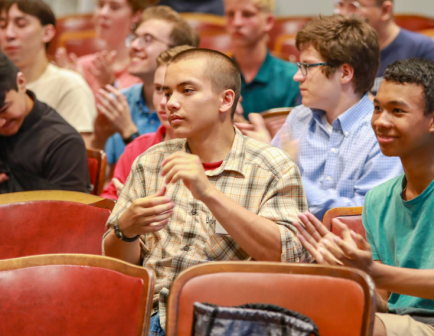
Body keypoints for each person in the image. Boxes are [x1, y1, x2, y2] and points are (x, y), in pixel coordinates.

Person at [296, 58, 434, 336]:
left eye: (397, 111)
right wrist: (350, 279)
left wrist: (376, 274)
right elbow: (385, 303)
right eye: (377, 109)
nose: (380, 122)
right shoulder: (378, 199)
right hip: (396, 324)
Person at [102, 48, 311, 335]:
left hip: (230, 318)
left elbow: (288, 256)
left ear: (225, 100)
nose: (171, 103)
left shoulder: (272, 166)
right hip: (150, 314)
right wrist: (126, 229)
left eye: (187, 91)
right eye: (167, 92)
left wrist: (208, 193)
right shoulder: (151, 161)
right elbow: (117, 265)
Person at [238, 14, 403, 220]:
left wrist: (287, 170)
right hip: (288, 242)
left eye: (307, 66)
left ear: (344, 73)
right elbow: (267, 196)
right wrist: (263, 155)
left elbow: (364, 216)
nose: (297, 76)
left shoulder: (382, 132)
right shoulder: (298, 118)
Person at [89, 5, 197, 167]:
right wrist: (100, 138)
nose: (134, 46)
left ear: (176, 52)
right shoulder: (122, 100)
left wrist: (128, 131)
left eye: (147, 40)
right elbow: (102, 178)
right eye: (134, 38)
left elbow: (167, 176)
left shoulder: (190, 107)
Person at [101, 45, 192, 200]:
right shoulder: (137, 148)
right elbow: (106, 206)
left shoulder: (225, 151)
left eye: (182, 90)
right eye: (159, 89)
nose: (164, 102)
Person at [0, 0, 96, 143]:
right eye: (2, 25)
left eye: (21, 24)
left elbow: (79, 155)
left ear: (47, 33)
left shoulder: (69, 85)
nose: (9, 34)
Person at [0, 52, 89, 194]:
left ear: (21, 83)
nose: (0, 123)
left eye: (4, 109)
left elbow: (72, 212)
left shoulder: (62, 142)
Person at [334, 0, 434, 94]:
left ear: (385, 10)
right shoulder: (336, 49)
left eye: (354, 6)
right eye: (340, 4)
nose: (342, 14)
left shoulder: (422, 49)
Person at [55, 0, 156, 97]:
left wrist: (111, 85)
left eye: (114, 7)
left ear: (136, 15)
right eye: (100, 5)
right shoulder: (81, 65)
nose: (103, 13)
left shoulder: (143, 71)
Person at [225, 0, 299, 119]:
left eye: (248, 14)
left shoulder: (293, 78)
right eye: (230, 14)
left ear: (268, 21)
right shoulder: (215, 77)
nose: (236, 22)